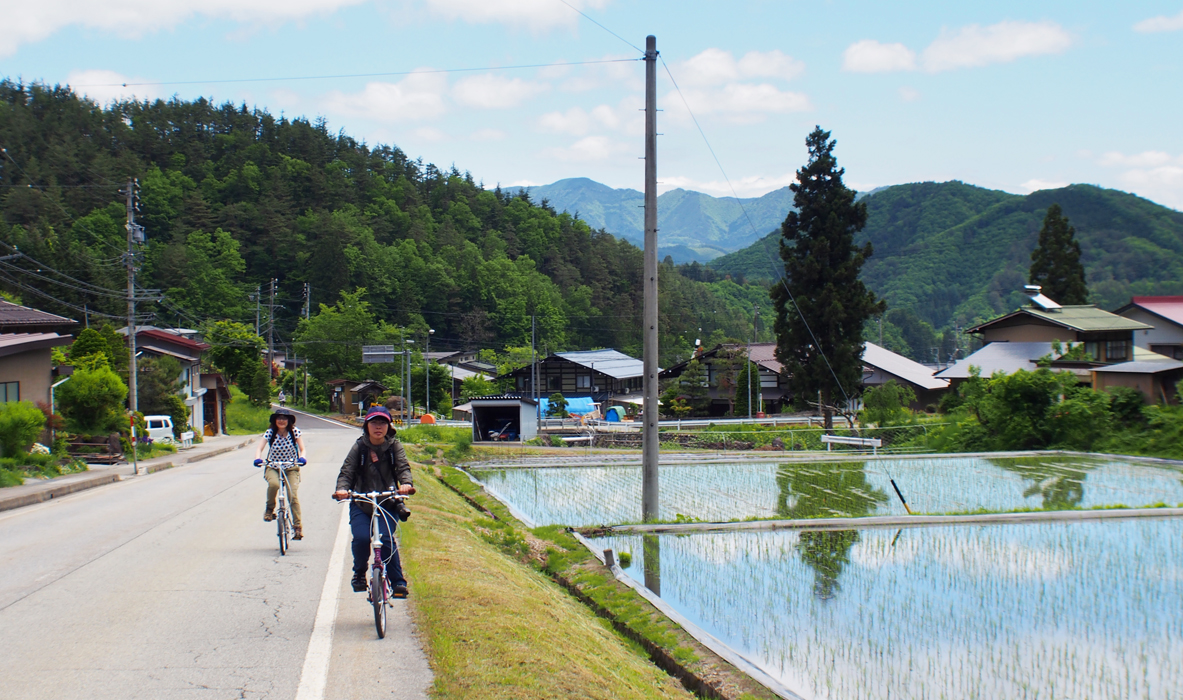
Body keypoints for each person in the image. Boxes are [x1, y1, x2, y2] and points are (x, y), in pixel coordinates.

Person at [333, 406, 414, 597]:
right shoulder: (359, 447)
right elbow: (347, 471)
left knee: (385, 540)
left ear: (389, 426)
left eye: (383, 422)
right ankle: (359, 574)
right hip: (362, 502)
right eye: (374, 423)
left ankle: (398, 583)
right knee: (361, 538)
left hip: (388, 503)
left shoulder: (395, 447)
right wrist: (342, 489)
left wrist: (406, 484)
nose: (378, 427)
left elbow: (403, 468)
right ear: (366, 426)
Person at [253, 408, 307, 539]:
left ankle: (298, 527)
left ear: (289, 421)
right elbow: (260, 448)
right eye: (279, 418)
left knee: (292, 495)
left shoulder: (294, 432)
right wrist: (257, 458)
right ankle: (269, 510)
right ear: (275, 420)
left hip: (291, 467)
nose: (281, 421)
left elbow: (302, 448)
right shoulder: (270, 432)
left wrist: (302, 458)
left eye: (284, 418)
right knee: (274, 484)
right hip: (273, 466)